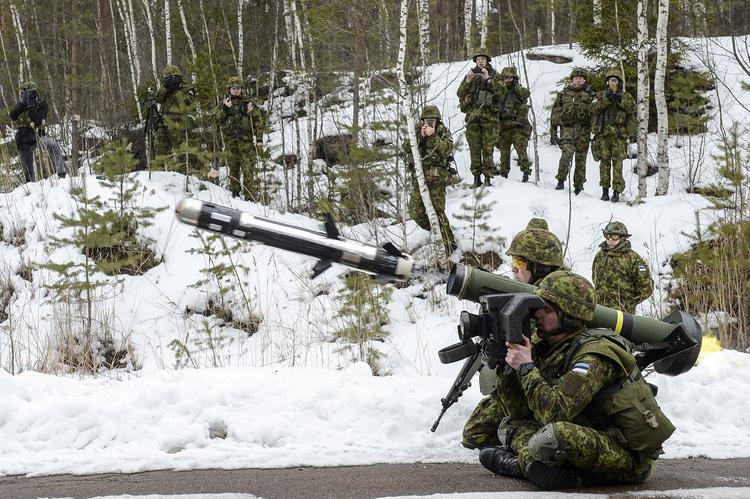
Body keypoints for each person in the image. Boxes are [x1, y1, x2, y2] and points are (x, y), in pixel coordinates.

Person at [478, 270, 675, 490]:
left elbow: (555, 412)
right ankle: (531, 466)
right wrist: (505, 367)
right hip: (588, 430)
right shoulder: (553, 347)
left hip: (625, 453)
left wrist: (526, 367)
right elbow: (518, 411)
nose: (537, 315)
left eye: (547, 310)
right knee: (511, 425)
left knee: (555, 435)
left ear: (569, 315)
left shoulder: (594, 355)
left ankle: (527, 466)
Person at [463, 225, 564, 450]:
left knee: (507, 429)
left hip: (548, 388)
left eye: (519, 264)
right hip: (524, 379)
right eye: (513, 264)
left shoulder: (559, 304)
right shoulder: (526, 296)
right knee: (473, 434)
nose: (514, 270)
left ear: (540, 267)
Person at [402, 105, 458, 255]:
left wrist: (433, 136)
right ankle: (436, 231)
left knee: (438, 211)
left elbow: (447, 149)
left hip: (436, 177)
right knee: (415, 211)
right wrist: (420, 135)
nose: (429, 122)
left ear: (437, 120)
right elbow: (406, 147)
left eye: (432, 119)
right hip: (419, 177)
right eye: (426, 119)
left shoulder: (442, 131)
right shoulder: (418, 129)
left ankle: (449, 244)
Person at [457, 48, 506, 188]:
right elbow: (460, 93)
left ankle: (488, 178)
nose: (480, 61)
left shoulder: (495, 75)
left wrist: (488, 79)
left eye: (483, 59)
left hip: (490, 119)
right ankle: (476, 178)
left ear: (487, 61)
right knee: (474, 149)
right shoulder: (471, 74)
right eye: (478, 59)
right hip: (473, 118)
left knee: (488, 149)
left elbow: (502, 92)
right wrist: (467, 80)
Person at [215, 76, 266, 199]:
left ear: (242, 89)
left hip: (246, 143)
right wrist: (225, 109)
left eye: (238, 88)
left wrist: (259, 140)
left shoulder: (248, 103)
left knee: (248, 171)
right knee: (233, 170)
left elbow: (258, 122)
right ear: (229, 89)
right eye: (233, 88)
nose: (236, 91)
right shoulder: (224, 103)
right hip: (231, 143)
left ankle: (249, 198)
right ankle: (235, 195)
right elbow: (215, 120)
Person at [591, 68, 636, 202]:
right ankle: (605, 191)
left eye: (615, 80)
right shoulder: (601, 95)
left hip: (619, 137)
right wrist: (607, 100)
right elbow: (593, 109)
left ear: (619, 82)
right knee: (604, 165)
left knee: (618, 166)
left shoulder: (625, 96)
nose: (613, 82)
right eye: (611, 80)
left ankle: (616, 192)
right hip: (603, 136)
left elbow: (631, 109)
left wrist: (619, 100)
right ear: (607, 82)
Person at [592, 221, 653, 314]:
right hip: (600, 312)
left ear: (623, 238)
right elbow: (595, 279)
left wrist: (628, 303)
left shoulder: (634, 259)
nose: (610, 239)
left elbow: (646, 289)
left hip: (622, 315)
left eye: (615, 236)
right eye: (608, 235)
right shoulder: (600, 256)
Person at [550, 68, 593, 195]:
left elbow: (596, 113)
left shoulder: (590, 95)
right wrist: (553, 131)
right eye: (576, 78)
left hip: (583, 130)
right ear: (572, 80)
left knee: (581, 158)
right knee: (566, 154)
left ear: (585, 80)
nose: (578, 80)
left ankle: (579, 185)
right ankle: (561, 180)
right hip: (567, 129)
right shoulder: (563, 94)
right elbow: (555, 113)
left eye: (581, 78)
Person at [495, 67, 531, 183]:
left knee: (521, 150)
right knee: (504, 153)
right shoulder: (498, 91)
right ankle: (504, 175)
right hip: (504, 127)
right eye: (506, 77)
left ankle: (526, 173)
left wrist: (516, 86)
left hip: (518, 126)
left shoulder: (519, 90)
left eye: (511, 77)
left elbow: (525, 95)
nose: (508, 80)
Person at [9, 81, 49, 183]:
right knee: (27, 163)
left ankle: (59, 176)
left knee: (52, 149)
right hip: (24, 137)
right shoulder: (22, 103)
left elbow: (38, 120)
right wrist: (22, 103)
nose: (27, 95)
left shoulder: (41, 103)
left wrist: (31, 106)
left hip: (38, 134)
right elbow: (13, 115)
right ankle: (30, 184)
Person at [154, 65, 197, 159]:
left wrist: (177, 91)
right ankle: (159, 172)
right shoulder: (166, 89)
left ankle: (181, 172)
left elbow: (186, 104)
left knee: (181, 153)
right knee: (159, 150)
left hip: (180, 122)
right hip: (164, 122)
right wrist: (165, 87)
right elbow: (158, 99)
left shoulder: (187, 88)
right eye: (167, 78)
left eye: (172, 78)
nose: (170, 81)